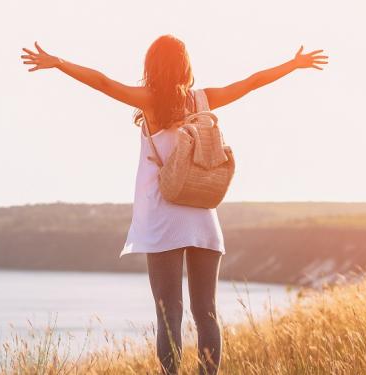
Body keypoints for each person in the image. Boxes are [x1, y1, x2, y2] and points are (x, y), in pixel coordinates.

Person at [20, 35, 327, 375]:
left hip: (163, 218)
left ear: (151, 66)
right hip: (203, 218)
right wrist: (293, 64)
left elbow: (103, 82)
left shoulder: (150, 101)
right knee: (206, 312)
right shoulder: (203, 100)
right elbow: (251, 82)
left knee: (169, 314)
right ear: (185, 65)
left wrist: (60, 63)